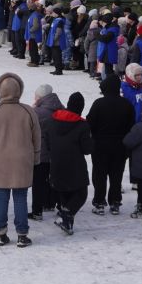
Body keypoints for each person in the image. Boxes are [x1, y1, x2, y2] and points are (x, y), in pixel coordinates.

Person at [0, 73, 41, 247]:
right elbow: (37, 138)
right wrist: (36, 157)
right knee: (21, 197)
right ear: (19, 90)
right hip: (23, 161)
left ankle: (0, 233)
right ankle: (22, 234)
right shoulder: (28, 111)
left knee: (1, 197)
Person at [42, 92, 91, 236]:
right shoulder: (82, 125)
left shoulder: (52, 120)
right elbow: (87, 149)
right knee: (81, 193)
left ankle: (67, 222)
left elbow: (47, 140)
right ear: (81, 108)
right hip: (75, 165)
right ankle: (66, 216)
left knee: (63, 192)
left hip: (56, 163)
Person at [87, 74, 135, 215]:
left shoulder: (99, 104)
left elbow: (90, 123)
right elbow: (131, 126)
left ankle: (99, 202)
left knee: (99, 174)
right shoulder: (127, 104)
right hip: (120, 146)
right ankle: (115, 202)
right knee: (116, 175)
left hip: (100, 146)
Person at [30, 84, 63, 220]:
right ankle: (56, 204)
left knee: (38, 182)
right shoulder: (61, 109)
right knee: (55, 180)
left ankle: (37, 210)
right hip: (58, 152)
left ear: (40, 98)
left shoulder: (37, 113)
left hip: (41, 152)